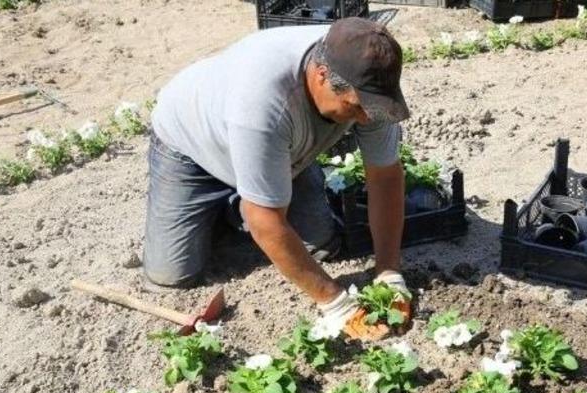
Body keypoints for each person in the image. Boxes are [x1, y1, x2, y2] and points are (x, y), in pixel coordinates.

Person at [145, 18, 411, 339]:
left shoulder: (367, 80)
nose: (366, 118)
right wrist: (336, 304)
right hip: (192, 150)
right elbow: (266, 220)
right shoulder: (263, 102)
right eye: (354, 107)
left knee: (322, 247)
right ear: (322, 76)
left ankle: (251, 198)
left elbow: (384, 176)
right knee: (172, 274)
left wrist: (388, 271)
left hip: (279, 152)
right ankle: (237, 205)